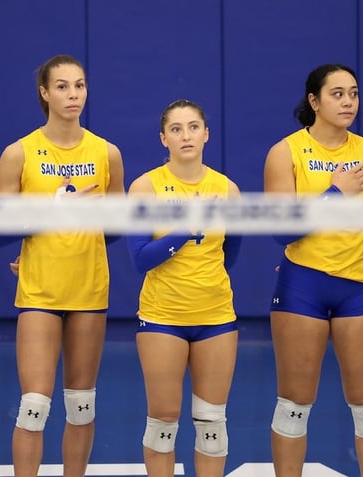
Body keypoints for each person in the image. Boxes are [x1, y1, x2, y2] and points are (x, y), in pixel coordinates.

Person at [0, 54, 125, 477]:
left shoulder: (107, 153)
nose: (73, 94)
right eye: (63, 86)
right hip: (40, 292)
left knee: (81, 404)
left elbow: (117, 228)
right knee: (34, 405)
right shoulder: (19, 153)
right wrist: (53, 211)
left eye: (79, 85)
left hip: (88, 290)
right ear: (45, 93)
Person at [262, 64, 363, 477]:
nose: (348, 102)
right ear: (314, 101)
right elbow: (282, 230)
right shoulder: (285, 152)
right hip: (302, 285)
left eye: (353, 93)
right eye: (337, 94)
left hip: (361, 287)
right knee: (293, 405)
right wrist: (336, 193)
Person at [126, 99, 242, 477]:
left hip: (216, 318)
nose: (186, 135)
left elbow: (230, 252)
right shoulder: (145, 187)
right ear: (164, 138)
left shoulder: (227, 190)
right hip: (162, 318)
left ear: (206, 134)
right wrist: (185, 231)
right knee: (163, 422)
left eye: (193, 127)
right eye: (176, 129)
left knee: (212, 423)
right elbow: (140, 258)